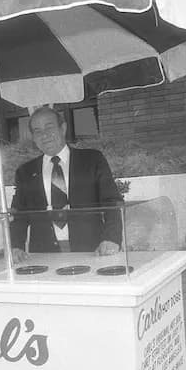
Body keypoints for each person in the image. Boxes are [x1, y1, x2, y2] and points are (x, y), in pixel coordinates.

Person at [9, 106, 123, 262]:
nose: (44, 135)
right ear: (34, 138)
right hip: (44, 256)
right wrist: (16, 246)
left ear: (63, 128)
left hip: (92, 251)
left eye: (49, 127)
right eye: (37, 131)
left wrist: (112, 238)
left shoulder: (92, 160)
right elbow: (19, 214)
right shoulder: (25, 172)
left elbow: (112, 202)